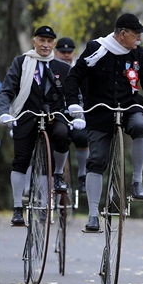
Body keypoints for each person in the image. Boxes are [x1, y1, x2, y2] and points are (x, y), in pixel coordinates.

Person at [65, 13, 143, 232]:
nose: (139, 40)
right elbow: (74, 77)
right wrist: (74, 104)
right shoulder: (96, 48)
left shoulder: (138, 53)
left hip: (130, 105)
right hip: (100, 110)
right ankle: (93, 214)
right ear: (123, 34)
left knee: (141, 127)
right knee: (96, 160)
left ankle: (137, 183)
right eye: (136, 35)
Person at [0, 26, 85, 226]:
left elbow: (74, 94)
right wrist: (3, 112)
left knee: (63, 135)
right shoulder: (21, 63)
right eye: (41, 40)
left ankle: (57, 176)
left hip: (56, 114)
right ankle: (18, 207)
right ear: (34, 42)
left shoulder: (63, 68)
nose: (45, 44)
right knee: (20, 158)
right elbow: (7, 91)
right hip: (27, 114)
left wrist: (78, 112)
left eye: (49, 41)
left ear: (53, 44)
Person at [55, 37, 89, 193]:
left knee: (82, 137)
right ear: (56, 52)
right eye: (63, 52)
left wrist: (83, 114)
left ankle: (82, 174)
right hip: (56, 114)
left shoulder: (80, 70)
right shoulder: (51, 68)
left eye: (69, 52)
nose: (66, 55)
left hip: (77, 114)